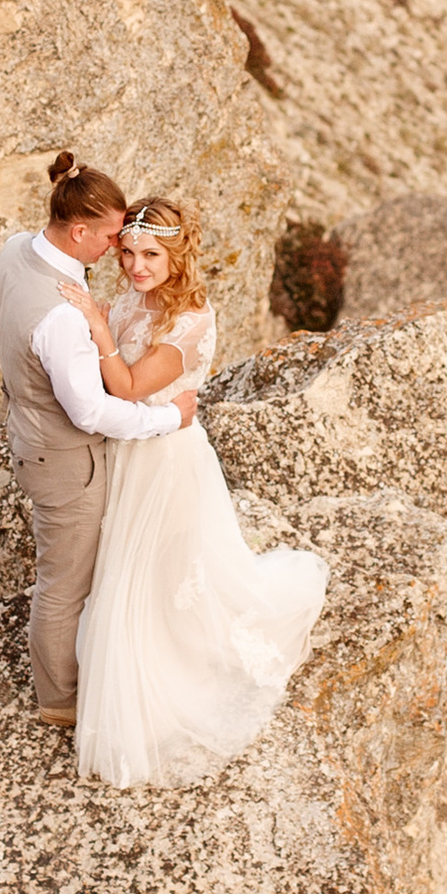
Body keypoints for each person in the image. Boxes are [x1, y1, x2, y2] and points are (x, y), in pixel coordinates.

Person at [65, 190, 329, 790]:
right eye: (128, 252)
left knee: (162, 571)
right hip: (127, 454)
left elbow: (130, 385)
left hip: (165, 459)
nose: (135, 266)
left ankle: (169, 679)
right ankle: (133, 667)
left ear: (176, 257)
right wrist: (103, 323)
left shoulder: (190, 317)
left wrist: (98, 329)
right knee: (130, 570)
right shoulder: (134, 302)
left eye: (150, 256)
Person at [0, 152, 196, 730]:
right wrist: (168, 420)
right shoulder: (60, 318)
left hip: (29, 434)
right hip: (65, 458)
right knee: (63, 587)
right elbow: (93, 410)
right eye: (110, 238)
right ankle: (60, 701)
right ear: (79, 231)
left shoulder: (15, 250)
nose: (117, 251)